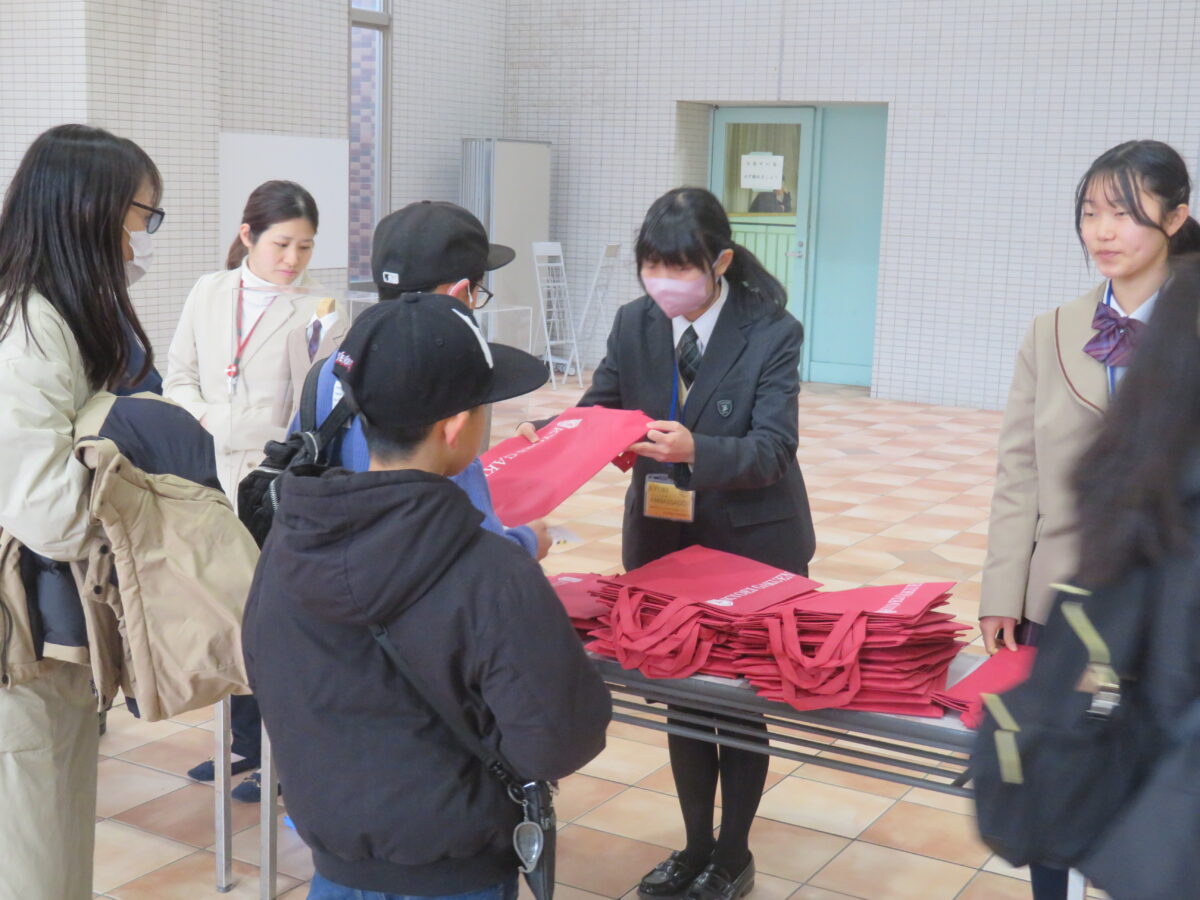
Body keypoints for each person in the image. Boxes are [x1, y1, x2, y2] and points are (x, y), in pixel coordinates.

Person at [242, 294, 612, 900]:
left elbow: (265, 672)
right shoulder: (492, 571)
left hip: (334, 870)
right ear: (456, 425)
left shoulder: (289, 544)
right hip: (457, 871)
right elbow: (556, 739)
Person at [518, 187, 815, 900]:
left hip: (750, 542)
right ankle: (693, 847)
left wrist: (696, 449)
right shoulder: (636, 321)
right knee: (684, 695)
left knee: (736, 704)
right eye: (652, 267)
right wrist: (556, 433)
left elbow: (774, 448)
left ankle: (732, 855)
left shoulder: (771, 330)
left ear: (720, 263)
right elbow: (604, 405)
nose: (663, 283)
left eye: (679, 268)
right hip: (663, 538)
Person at [979, 140, 1200, 898]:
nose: (1103, 231)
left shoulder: (1192, 325)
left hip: (1168, 605)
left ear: (1176, 217)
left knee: (1156, 780)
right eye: (1090, 212)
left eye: (1126, 213)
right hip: (1066, 599)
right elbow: (1019, 472)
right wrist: (1003, 591)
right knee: (1060, 763)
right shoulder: (1051, 330)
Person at [0, 123, 163, 900]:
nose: (138, 242)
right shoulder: (29, 327)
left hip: (51, 629)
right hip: (22, 632)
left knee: (57, 827)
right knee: (32, 850)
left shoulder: (54, 315)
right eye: (141, 217)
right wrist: (127, 455)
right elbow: (50, 510)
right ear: (89, 211)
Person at [164, 179, 323, 800]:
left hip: (271, 481)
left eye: (305, 247)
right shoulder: (209, 291)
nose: (292, 259)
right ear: (247, 236)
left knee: (272, 618)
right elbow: (178, 378)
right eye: (281, 244)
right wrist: (214, 419)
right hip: (209, 473)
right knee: (226, 609)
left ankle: (282, 757)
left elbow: (308, 410)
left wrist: (244, 428)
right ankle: (243, 743)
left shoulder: (317, 310)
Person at [302, 200, 551, 560]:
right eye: (477, 293)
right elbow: (475, 555)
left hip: (339, 569)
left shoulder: (330, 370)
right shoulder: (440, 388)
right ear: (459, 293)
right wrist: (527, 543)